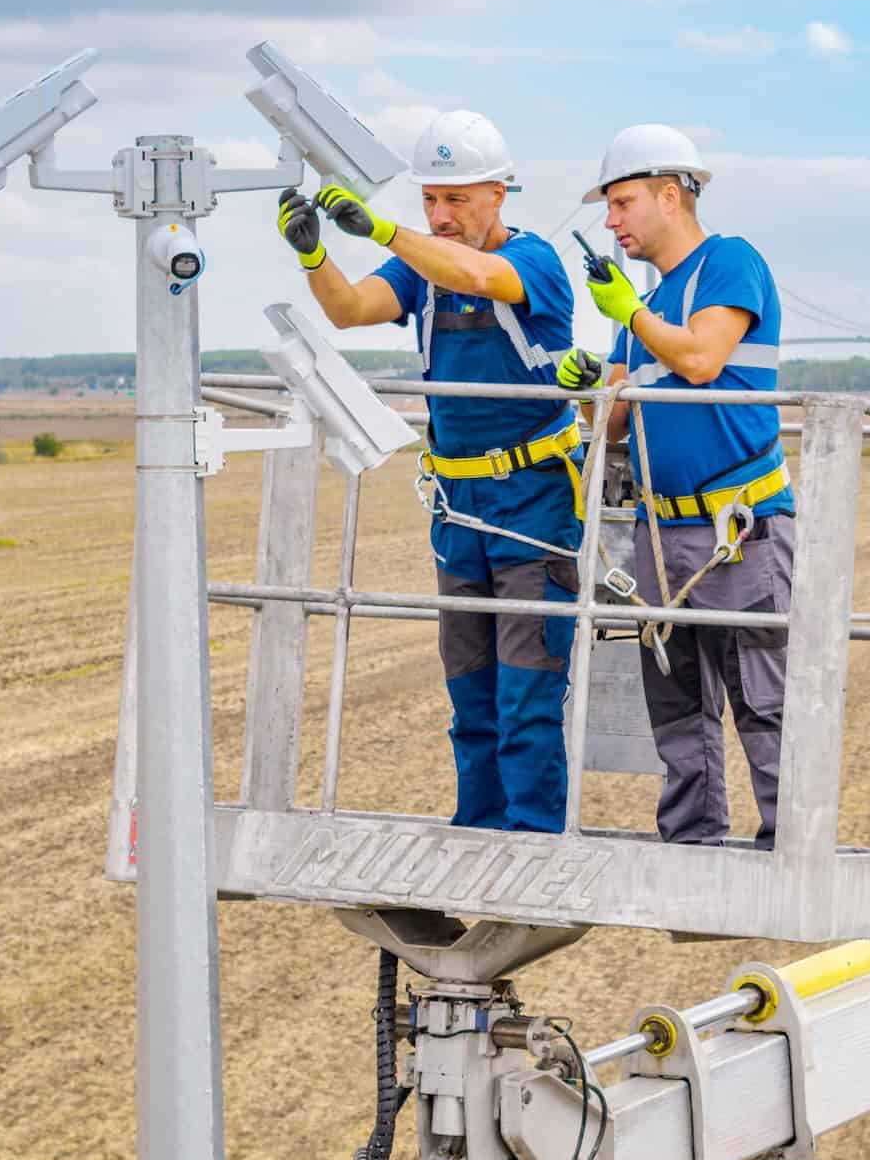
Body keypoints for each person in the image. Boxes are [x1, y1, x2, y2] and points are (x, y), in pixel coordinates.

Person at [278, 110, 581, 833]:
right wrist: (314, 256)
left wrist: (383, 232)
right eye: (430, 202)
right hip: (459, 505)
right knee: (470, 686)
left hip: (534, 501)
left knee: (526, 689)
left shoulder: (532, 260)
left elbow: (475, 272)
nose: (441, 217)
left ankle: (533, 839)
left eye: (456, 200)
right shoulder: (422, 266)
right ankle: (477, 827)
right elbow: (352, 310)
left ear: (498, 195)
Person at [557, 125, 793, 849]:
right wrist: (591, 387)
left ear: (670, 194)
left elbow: (699, 359)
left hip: (737, 529)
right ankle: (691, 846)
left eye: (622, 202)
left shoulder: (730, 263)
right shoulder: (650, 306)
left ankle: (786, 847)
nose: (611, 221)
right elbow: (618, 425)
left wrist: (628, 315)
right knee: (677, 700)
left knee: (762, 699)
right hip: (661, 533)